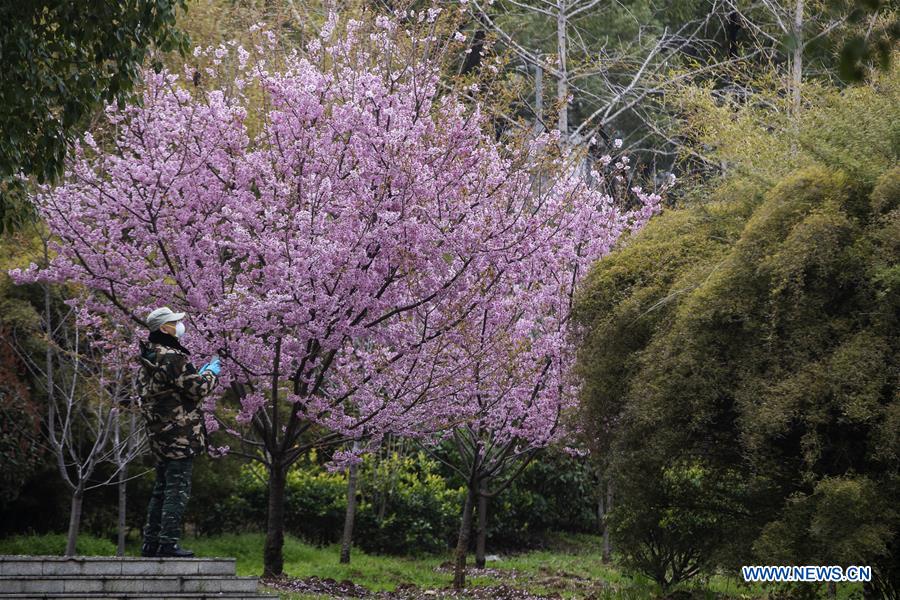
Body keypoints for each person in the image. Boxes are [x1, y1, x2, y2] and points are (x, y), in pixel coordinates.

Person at [136, 307, 220, 558]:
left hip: (159, 433)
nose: (179, 326)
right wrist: (210, 373)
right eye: (175, 322)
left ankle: (150, 543)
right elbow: (198, 389)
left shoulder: (149, 357)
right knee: (177, 488)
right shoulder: (172, 357)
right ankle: (168, 544)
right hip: (180, 434)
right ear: (164, 328)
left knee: (161, 487)